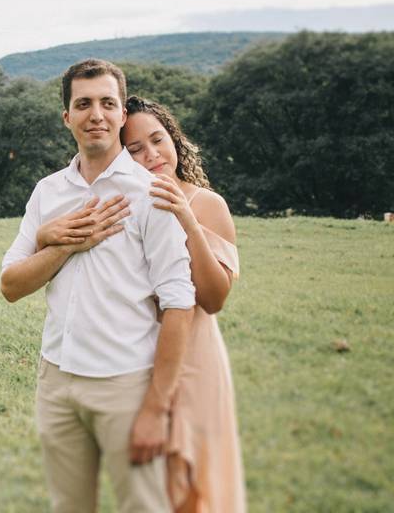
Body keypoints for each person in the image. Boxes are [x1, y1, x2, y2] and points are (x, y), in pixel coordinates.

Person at [0, 59, 197, 512]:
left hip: (126, 385)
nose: (96, 114)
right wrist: (68, 244)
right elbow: (10, 284)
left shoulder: (151, 193)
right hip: (56, 382)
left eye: (108, 103)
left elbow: (179, 304)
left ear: (123, 114)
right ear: (66, 117)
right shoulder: (47, 193)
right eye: (83, 103)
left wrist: (155, 407)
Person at [36, 95, 246, 512]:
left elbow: (214, 297)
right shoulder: (125, 201)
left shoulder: (208, 204)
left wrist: (185, 217)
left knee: (192, 481)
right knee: (150, 483)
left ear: (175, 140)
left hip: (194, 356)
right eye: (135, 149)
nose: (151, 156)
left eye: (158, 140)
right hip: (137, 355)